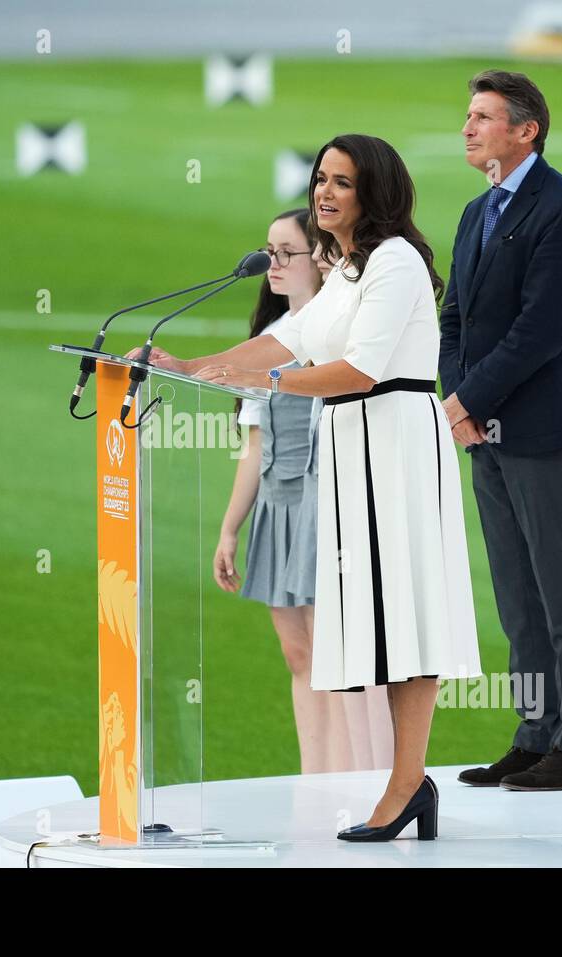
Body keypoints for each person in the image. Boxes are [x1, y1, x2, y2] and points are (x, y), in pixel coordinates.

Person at [131, 134, 482, 841]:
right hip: (354, 446)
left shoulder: (394, 261)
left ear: (373, 192)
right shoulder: (348, 269)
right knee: (386, 622)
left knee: (405, 618)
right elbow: (289, 339)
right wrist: (199, 365)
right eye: (320, 179)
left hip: (396, 443)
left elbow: (360, 369)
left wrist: (259, 379)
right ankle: (408, 783)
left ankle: (407, 783)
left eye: (341, 182)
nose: (324, 192)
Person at [438, 70, 562, 791]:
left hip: (538, 427)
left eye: (482, 116)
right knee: (516, 591)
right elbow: (456, 321)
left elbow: (541, 331)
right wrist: (461, 397)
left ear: (526, 129)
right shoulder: (478, 210)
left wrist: (464, 401)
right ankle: (536, 731)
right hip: (486, 431)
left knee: (559, 588)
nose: (469, 127)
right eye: (468, 115)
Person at [216, 207, 393, 775]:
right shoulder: (269, 339)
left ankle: (360, 779)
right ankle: (315, 778)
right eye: (269, 251)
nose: (274, 263)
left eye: (287, 252)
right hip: (278, 502)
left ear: (321, 262)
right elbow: (255, 445)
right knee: (300, 655)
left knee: (335, 654)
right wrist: (228, 527)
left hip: (325, 501)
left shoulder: (334, 331)